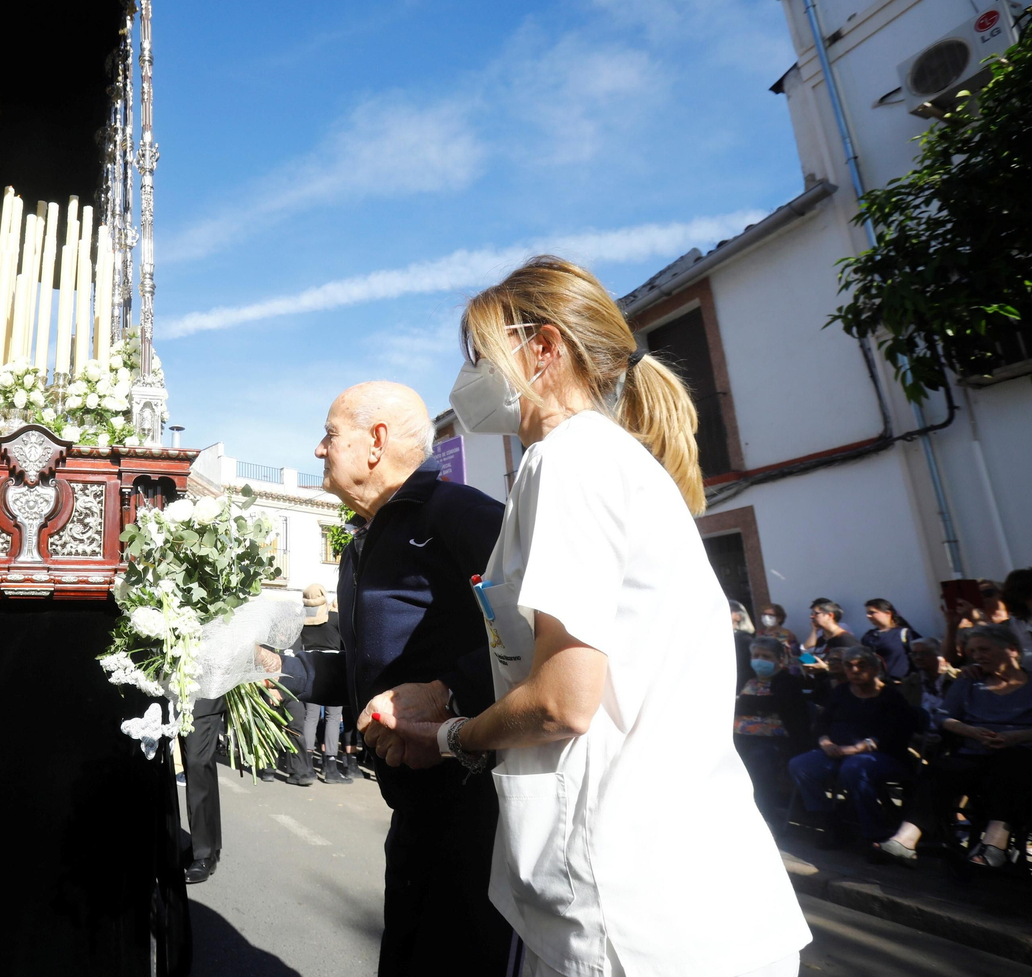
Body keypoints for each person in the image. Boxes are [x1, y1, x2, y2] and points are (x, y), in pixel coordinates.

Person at [361, 257, 807, 977]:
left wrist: (446, 736)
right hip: (685, 901)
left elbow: (562, 704)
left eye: (480, 356)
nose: (468, 379)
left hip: (626, 913)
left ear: (543, 349)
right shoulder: (612, 464)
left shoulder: (566, 462)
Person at [271, 381, 517, 975]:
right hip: (412, 815)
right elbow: (367, 672)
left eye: (330, 434)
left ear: (375, 441)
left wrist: (445, 693)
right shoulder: (361, 545)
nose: (318, 449)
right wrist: (278, 670)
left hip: (478, 811)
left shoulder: (458, 513)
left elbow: (532, 635)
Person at [880, 626, 1032, 868]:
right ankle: (905, 840)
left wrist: (1017, 736)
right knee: (940, 768)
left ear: (1012, 650)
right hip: (974, 751)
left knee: (1011, 763)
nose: (977, 656)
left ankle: (995, 843)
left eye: (985, 649)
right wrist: (971, 731)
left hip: (1020, 754)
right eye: (973, 651)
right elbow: (943, 717)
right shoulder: (969, 681)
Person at [786, 648, 917, 848]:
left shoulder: (891, 696)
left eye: (861, 665)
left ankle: (874, 834)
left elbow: (896, 734)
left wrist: (857, 749)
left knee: (853, 768)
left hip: (879, 756)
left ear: (875, 669)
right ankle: (831, 824)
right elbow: (822, 723)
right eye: (849, 666)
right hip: (835, 752)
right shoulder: (840, 692)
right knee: (800, 765)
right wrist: (825, 742)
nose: (854, 670)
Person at [734, 637, 811, 817]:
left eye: (766, 656)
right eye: (756, 655)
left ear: (778, 659)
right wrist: (754, 703)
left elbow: (777, 704)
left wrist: (744, 701)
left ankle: (766, 814)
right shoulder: (746, 678)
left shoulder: (787, 681)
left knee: (758, 760)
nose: (760, 660)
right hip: (741, 737)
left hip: (775, 742)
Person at [295, 583, 351, 785]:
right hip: (334, 670)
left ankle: (307, 767)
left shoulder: (301, 621)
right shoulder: (335, 619)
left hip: (309, 668)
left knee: (310, 717)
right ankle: (330, 768)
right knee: (333, 717)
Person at [179, 696, 226, 883]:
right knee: (200, 766)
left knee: (197, 764)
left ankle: (204, 854)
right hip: (179, 693)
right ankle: (209, 845)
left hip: (204, 694)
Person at [897, 637, 957, 721]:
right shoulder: (910, 682)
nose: (918, 658)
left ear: (939, 656)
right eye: (914, 654)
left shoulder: (956, 678)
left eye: (924, 653)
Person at [861, 598, 917, 679]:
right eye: (867, 613)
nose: (868, 616)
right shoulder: (869, 636)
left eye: (872, 612)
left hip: (901, 683)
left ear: (888, 613)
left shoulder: (905, 634)